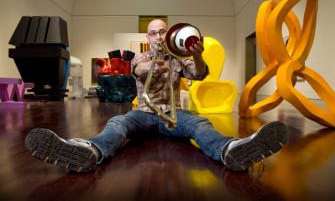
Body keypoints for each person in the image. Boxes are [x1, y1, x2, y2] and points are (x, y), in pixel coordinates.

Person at [25, 19, 288, 173]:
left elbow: (198, 75)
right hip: (144, 114)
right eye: (153, 32)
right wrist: (151, 66)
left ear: (168, 34)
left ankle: (230, 150)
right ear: (148, 37)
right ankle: (89, 150)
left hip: (173, 115)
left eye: (163, 31)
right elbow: (138, 71)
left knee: (199, 123)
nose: (158, 36)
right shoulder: (141, 57)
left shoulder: (179, 57)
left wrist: (196, 53)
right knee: (118, 123)